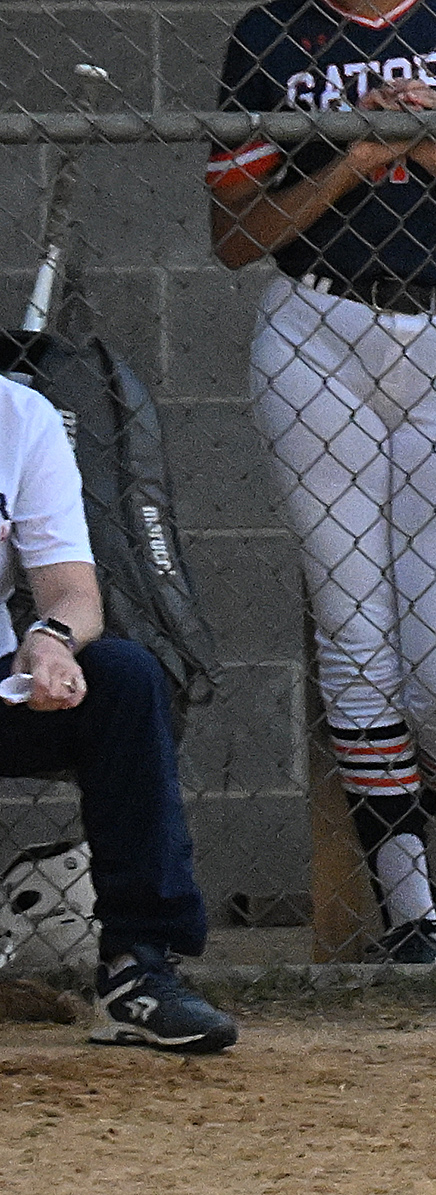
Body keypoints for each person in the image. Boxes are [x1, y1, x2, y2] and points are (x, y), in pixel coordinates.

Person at [206, 0, 436, 960]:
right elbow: (235, 236)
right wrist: (355, 158)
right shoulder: (274, 31)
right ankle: (410, 914)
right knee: (356, 632)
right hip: (316, 333)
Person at [0, 377, 238, 1053]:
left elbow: (75, 593)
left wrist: (49, 640)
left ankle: (138, 970)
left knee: (124, 677)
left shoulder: (18, 417)